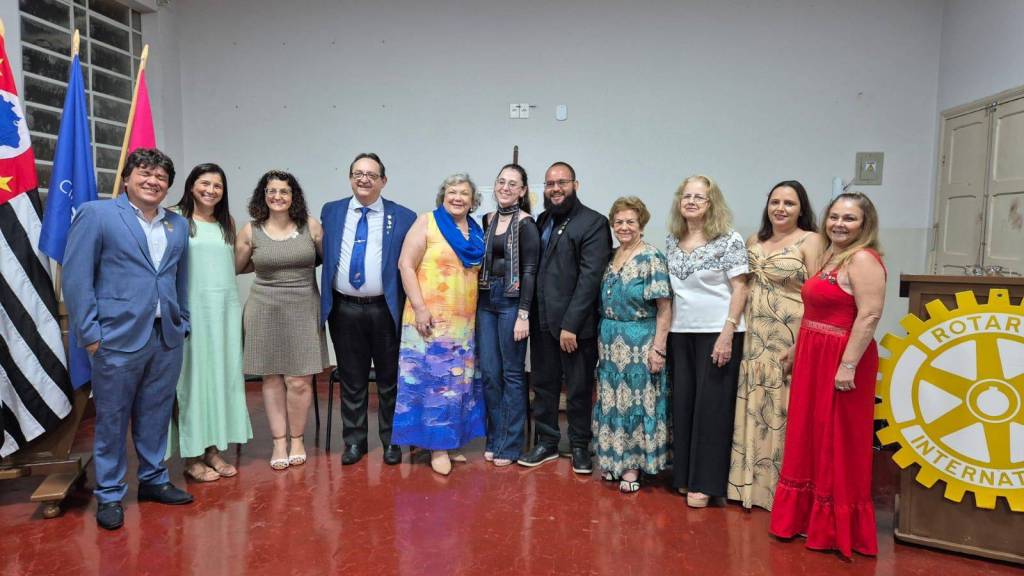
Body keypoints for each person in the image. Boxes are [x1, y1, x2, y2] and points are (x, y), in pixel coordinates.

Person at [64, 148, 193, 531]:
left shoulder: (177, 224)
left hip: (166, 336)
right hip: (115, 338)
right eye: (145, 173)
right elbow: (77, 277)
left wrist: (183, 321)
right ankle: (109, 493)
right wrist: (90, 334)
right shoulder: (97, 214)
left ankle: (153, 480)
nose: (153, 181)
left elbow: (180, 277)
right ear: (127, 178)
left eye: (161, 177)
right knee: (112, 418)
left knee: (156, 412)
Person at [770, 192, 886, 558]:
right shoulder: (832, 255)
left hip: (841, 358)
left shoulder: (864, 259)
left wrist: (848, 364)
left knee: (837, 438)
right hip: (813, 354)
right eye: (834, 216)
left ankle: (835, 527)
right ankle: (806, 518)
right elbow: (815, 308)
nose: (839, 224)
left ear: (865, 224)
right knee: (810, 434)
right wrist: (796, 348)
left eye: (849, 218)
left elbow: (869, 315)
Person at [727, 180, 823, 510]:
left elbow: (818, 295)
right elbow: (743, 286)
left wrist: (803, 341)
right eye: (775, 202)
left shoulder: (811, 241)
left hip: (789, 333)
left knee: (784, 407)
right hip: (755, 334)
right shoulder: (755, 239)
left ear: (801, 208)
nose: (781, 208)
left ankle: (784, 492)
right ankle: (749, 488)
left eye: (789, 203)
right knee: (755, 404)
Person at [320, 153, 416, 466]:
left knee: (390, 380)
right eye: (358, 173)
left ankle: (392, 442)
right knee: (352, 379)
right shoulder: (331, 212)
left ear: (383, 181)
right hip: (344, 308)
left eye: (371, 175)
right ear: (350, 178)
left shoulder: (403, 216)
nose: (364, 179)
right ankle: (354, 442)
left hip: (385, 310)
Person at [519, 161, 612, 473]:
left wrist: (570, 324)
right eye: (550, 184)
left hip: (575, 328)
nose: (555, 189)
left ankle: (580, 446)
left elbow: (590, 278)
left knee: (578, 389)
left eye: (562, 182)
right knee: (543, 386)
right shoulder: (543, 220)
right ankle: (546, 442)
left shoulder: (594, 223)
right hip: (542, 322)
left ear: (575, 185)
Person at [392, 173, 486, 476]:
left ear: (473, 201)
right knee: (435, 384)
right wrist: (420, 308)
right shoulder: (427, 222)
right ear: (443, 196)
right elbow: (405, 264)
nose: (457, 197)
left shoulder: (475, 231)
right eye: (452, 192)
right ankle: (437, 447)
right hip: (429, 321)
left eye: (464, 193)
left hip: (462, 325)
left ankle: (449, 439)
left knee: (457, 385)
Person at [665, 174, 749, 508]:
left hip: (718, 331)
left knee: (712, 408)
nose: (691, 202)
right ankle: (684, 475)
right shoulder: (672, 240)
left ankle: (706, 482)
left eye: (699, 197)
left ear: (711, 203)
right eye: (686, 196)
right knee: (684, 403)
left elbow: (740, 288)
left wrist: (727, 332)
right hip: (681, 331)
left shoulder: (728, 240)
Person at [235, 170, 327, 470]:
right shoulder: (250, 231)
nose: (277, 196)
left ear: (293, 196)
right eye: (271, 191)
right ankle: (278, 442)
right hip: (264, 309)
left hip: (303, 307)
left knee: (299, 380)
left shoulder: (311, 226)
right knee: (272, 377)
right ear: (263, 196)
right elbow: (237, 266)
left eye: (284, 191)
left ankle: (297, 439)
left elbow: (326, 260)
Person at [167, 163, 253, 482]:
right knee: (191, 381)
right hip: (191, 310)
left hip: (224, 312)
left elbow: (234, 264)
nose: (211, 190)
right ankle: (192, 455)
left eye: (217, 185)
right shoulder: (174, 218)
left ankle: (214, 450)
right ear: (191, 185)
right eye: (204, 183)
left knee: (221, 378)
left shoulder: (226, 222)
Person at [592, 197, 672, 493]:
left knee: (637, 404)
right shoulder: (611, 256)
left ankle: (633, 465)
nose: (624, 227)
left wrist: (659, 348)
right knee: (612, 402)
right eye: (619, 222)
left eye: (630, 222)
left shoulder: (652, 257)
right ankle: (614, 459)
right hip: (609, 341)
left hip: (641, 341)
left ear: (641, 224)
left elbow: (664, 307)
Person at [476, 164, 540, 467]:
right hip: (485, 300)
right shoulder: (486, 219)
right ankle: (494, 438)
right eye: (501, 181)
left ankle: (511, 444)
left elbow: (530, 271)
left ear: (523, 190)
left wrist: (523, 314)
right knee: (489, 373)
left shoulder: (527, 224)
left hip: (512, 301)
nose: (505, 187)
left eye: (513, 183)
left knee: (512, 374)